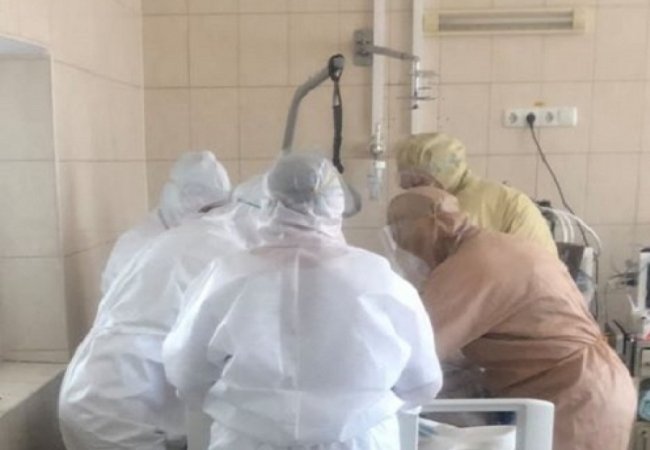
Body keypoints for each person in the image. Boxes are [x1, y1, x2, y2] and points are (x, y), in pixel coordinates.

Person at [162, 153, 443, 450]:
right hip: (359, 441)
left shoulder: (226, 276)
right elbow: (423, 383)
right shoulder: (380, 280)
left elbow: (186, 374)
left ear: (267, 202)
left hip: (249, 441)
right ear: (336, 204)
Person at [386, 186, 636, 450]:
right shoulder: (498, 246)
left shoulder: (471, 266)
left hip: (575, 396)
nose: (411, 256)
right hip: (592, 384)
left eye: (406, 242)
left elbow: (413, 353)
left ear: (426, 230)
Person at [58, 162, 254, 450]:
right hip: (119, 406)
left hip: (109, 394)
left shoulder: (198, 238)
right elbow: (208, 357)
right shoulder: (219, 250)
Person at [396, 132, 557, 255]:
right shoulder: (479, 193)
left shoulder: (468, 207)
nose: (411, 189)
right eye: (406, 181)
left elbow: (450, 265)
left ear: (442, 175)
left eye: (418, 181)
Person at [101, 151, 231, 294]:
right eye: (207, 210)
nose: (212, 217)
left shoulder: (202, 238)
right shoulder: (137, 246)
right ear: (184, 202)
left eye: (219, 209)